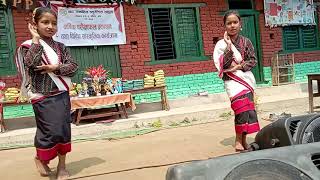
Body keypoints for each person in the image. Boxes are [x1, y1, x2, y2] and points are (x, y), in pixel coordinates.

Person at [15, 7, 78, 179]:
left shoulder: (61, 47)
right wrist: (35, 39)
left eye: (54, 23)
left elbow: (73, 68)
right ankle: (40, 158)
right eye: (45, 22)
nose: (50, 26)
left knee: (63, 130)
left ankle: (62, 167)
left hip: (61, 94)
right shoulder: (28, 46)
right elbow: (32, 65)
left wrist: (56, 67)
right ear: (35, 24)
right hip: (41, 96)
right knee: (49, 131)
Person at [213, 10, 260, 152]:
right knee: (240, 110)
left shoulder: (247, 42)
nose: (232, 25)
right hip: (232, 82)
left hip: (246, 80)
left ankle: (243, 141)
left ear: (240, 24)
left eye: (235, 22)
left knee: (248, 111)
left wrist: (240, 66)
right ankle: (238, 140)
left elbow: (253, 61)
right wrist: (228, 46)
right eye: (229, 23)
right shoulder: (221, 45)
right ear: (225, 26)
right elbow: (224, 65)